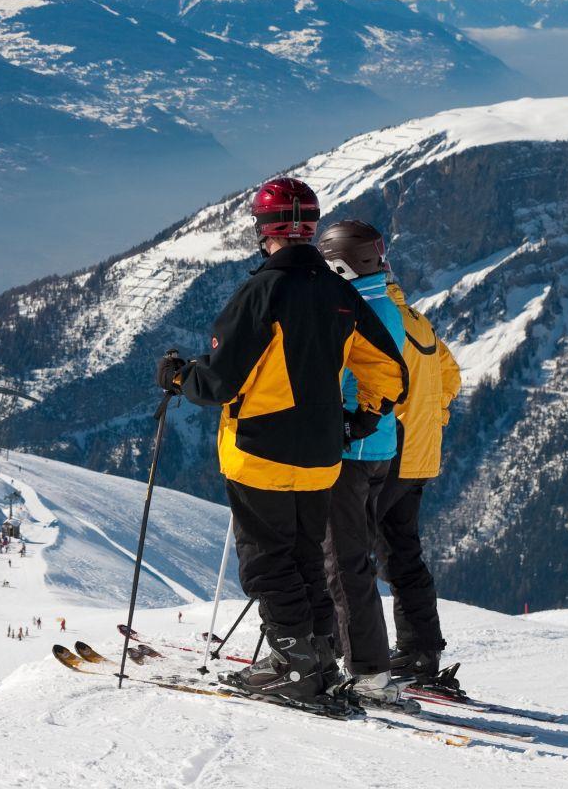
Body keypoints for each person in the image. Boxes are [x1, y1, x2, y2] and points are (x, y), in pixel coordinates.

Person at [164, 177, 407, 706]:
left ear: (263, 229)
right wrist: (361, 419)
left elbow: (222, 382)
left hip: (261, 450)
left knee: (268, 562)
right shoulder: (341, 294)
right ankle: (317, 660)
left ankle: (294, 667)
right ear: (311, 229)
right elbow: (389, 370)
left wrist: (181, 377)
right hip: (321, 455)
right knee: (305, 559)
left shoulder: (262, 292)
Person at [315, 219, 413, 705]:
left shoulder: (355, 310)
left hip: (350, 451)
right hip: (379, 450)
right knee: (349, 558)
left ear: (341, 266)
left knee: (343, 563)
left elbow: (337, 378)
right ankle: (343, 653)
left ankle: (369, 673)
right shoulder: (386, 302)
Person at [380, 256, 463, 688]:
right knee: (402, 554)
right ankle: (420, 651)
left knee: (343, 553)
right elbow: (450, 376)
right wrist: (432, 415)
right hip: (419, 455)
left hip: (387, 452)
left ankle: (338, 649)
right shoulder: (417, 320)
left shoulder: (376, 318)